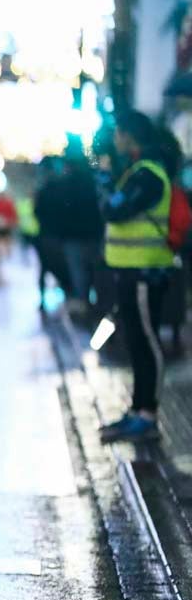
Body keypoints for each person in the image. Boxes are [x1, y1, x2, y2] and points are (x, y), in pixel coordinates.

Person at [99, 110, 176, 444]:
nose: (115, 139)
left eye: (118, 133)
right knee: (135, 341)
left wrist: (103, 179)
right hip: (130, 271)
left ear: (129, 135)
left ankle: (147, 414)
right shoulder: (137, 171)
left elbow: (114, 210)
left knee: (146, 342)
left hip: (146, 271)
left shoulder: (148, 175)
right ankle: (137, 409)